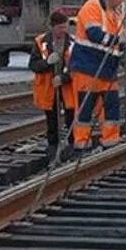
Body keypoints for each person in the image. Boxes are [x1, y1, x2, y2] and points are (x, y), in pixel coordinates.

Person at [71, 0, 126, 151]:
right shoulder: (91, 7)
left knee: (111, 107)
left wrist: (123, 56)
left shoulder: (115, 14)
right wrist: (118, 42)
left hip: (107, 69)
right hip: (87, 67)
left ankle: (110, 141)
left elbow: (119, 41)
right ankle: (82, 144)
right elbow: (94, 34)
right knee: (86, 108)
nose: (121, 1)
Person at [30, 9, 77, 160]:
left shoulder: (73, 43)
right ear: (53, 27)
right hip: (48, 89)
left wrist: (63, 78)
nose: (64, 30)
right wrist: (47, 63)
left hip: (68, 88)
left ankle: (72, 146)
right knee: (52, 120)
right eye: (60, 27)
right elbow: (33, 65)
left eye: (65, 27)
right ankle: (53, 148)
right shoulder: (40, 42)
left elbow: (77, 67)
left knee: (71, 118)